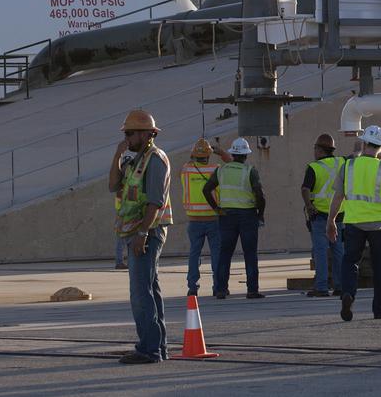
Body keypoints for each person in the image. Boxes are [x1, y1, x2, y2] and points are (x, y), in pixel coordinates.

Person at [107, 109, 172, 364]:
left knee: (140, 293)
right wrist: (117, 155)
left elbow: (155, 202)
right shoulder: (135, 161)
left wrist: (143, 234)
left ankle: (149, 349)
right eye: (126, 133)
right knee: (150, 290)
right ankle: (158, 347)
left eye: (131, 133)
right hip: (137, 232)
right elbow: (113, 185)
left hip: (147, 232)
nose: (127, 137)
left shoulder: (155, 160)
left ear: (147, 134)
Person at [327, 124, 381, 321]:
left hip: (353, 221)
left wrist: (331, 220)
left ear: (363, 144)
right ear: (380, 147)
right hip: (378, 223)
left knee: (350, 261)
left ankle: (348, 294)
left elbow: (338, 196)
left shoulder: (348, 166)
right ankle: (379, 309)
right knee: (379, 266)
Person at [204, 137, 267, 299]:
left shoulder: (221, 170)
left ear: (233, 153)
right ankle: (252, 290)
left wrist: (217, 209)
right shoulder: (250, 171)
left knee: (225, 253)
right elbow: (260, 194)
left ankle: (221, 289)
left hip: (226, 216)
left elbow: (206, 190)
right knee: (250, 254)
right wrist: (260, 214)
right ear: (245, 155)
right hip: (248, 215)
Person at [301, 133, 346, 297]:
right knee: (338, 251)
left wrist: (309, 205)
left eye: (315, 148)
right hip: (339, 214)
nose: (314, 151)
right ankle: (340, 286)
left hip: (320, 216)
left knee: (320, 251)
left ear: (320, 150)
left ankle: (321, 287)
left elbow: (305, 189)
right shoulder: (342, 162)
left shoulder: (314, 167)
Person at [179, 138, 223, 297]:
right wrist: (221, 152)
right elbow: (231, 163)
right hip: (213, 219)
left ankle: (192, 287)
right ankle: (218, 287)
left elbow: (189, 162)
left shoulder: (186, 170)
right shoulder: (216, 169)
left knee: (194, 254)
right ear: (209, 156)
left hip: (194, 220)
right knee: (217, 254)